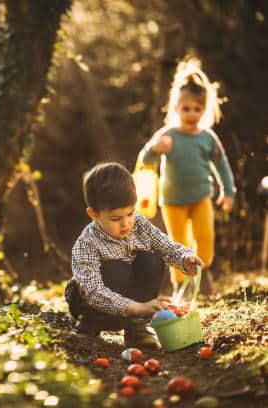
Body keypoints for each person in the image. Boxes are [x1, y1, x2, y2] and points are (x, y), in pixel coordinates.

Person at [65, 162, 204, 349]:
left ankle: (136, 328)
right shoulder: (87, 243)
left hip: (132, 308)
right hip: (94, 307)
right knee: (117, 269)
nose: (126, 223)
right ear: (93, 214)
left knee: (152, 260)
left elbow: (166, 246)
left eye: (130, 213)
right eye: (116, 219)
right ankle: (89, 325)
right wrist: (138, 307)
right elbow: (93, 291)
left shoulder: (139, 225)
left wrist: (185, 258)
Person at [137, 57, 236, 294]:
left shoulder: (207, 138)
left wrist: (228, 192)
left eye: (197, 109)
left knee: (205, 238)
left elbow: (222, 165)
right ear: (176, 108)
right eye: (186, 108)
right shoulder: (167, 135)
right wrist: (155, 149)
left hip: (201, 196)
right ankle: (180, 284)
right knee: (177, 244)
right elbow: (144, 160)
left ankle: (203, 272)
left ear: (205, 109)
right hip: (172, 202)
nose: (191, 113)